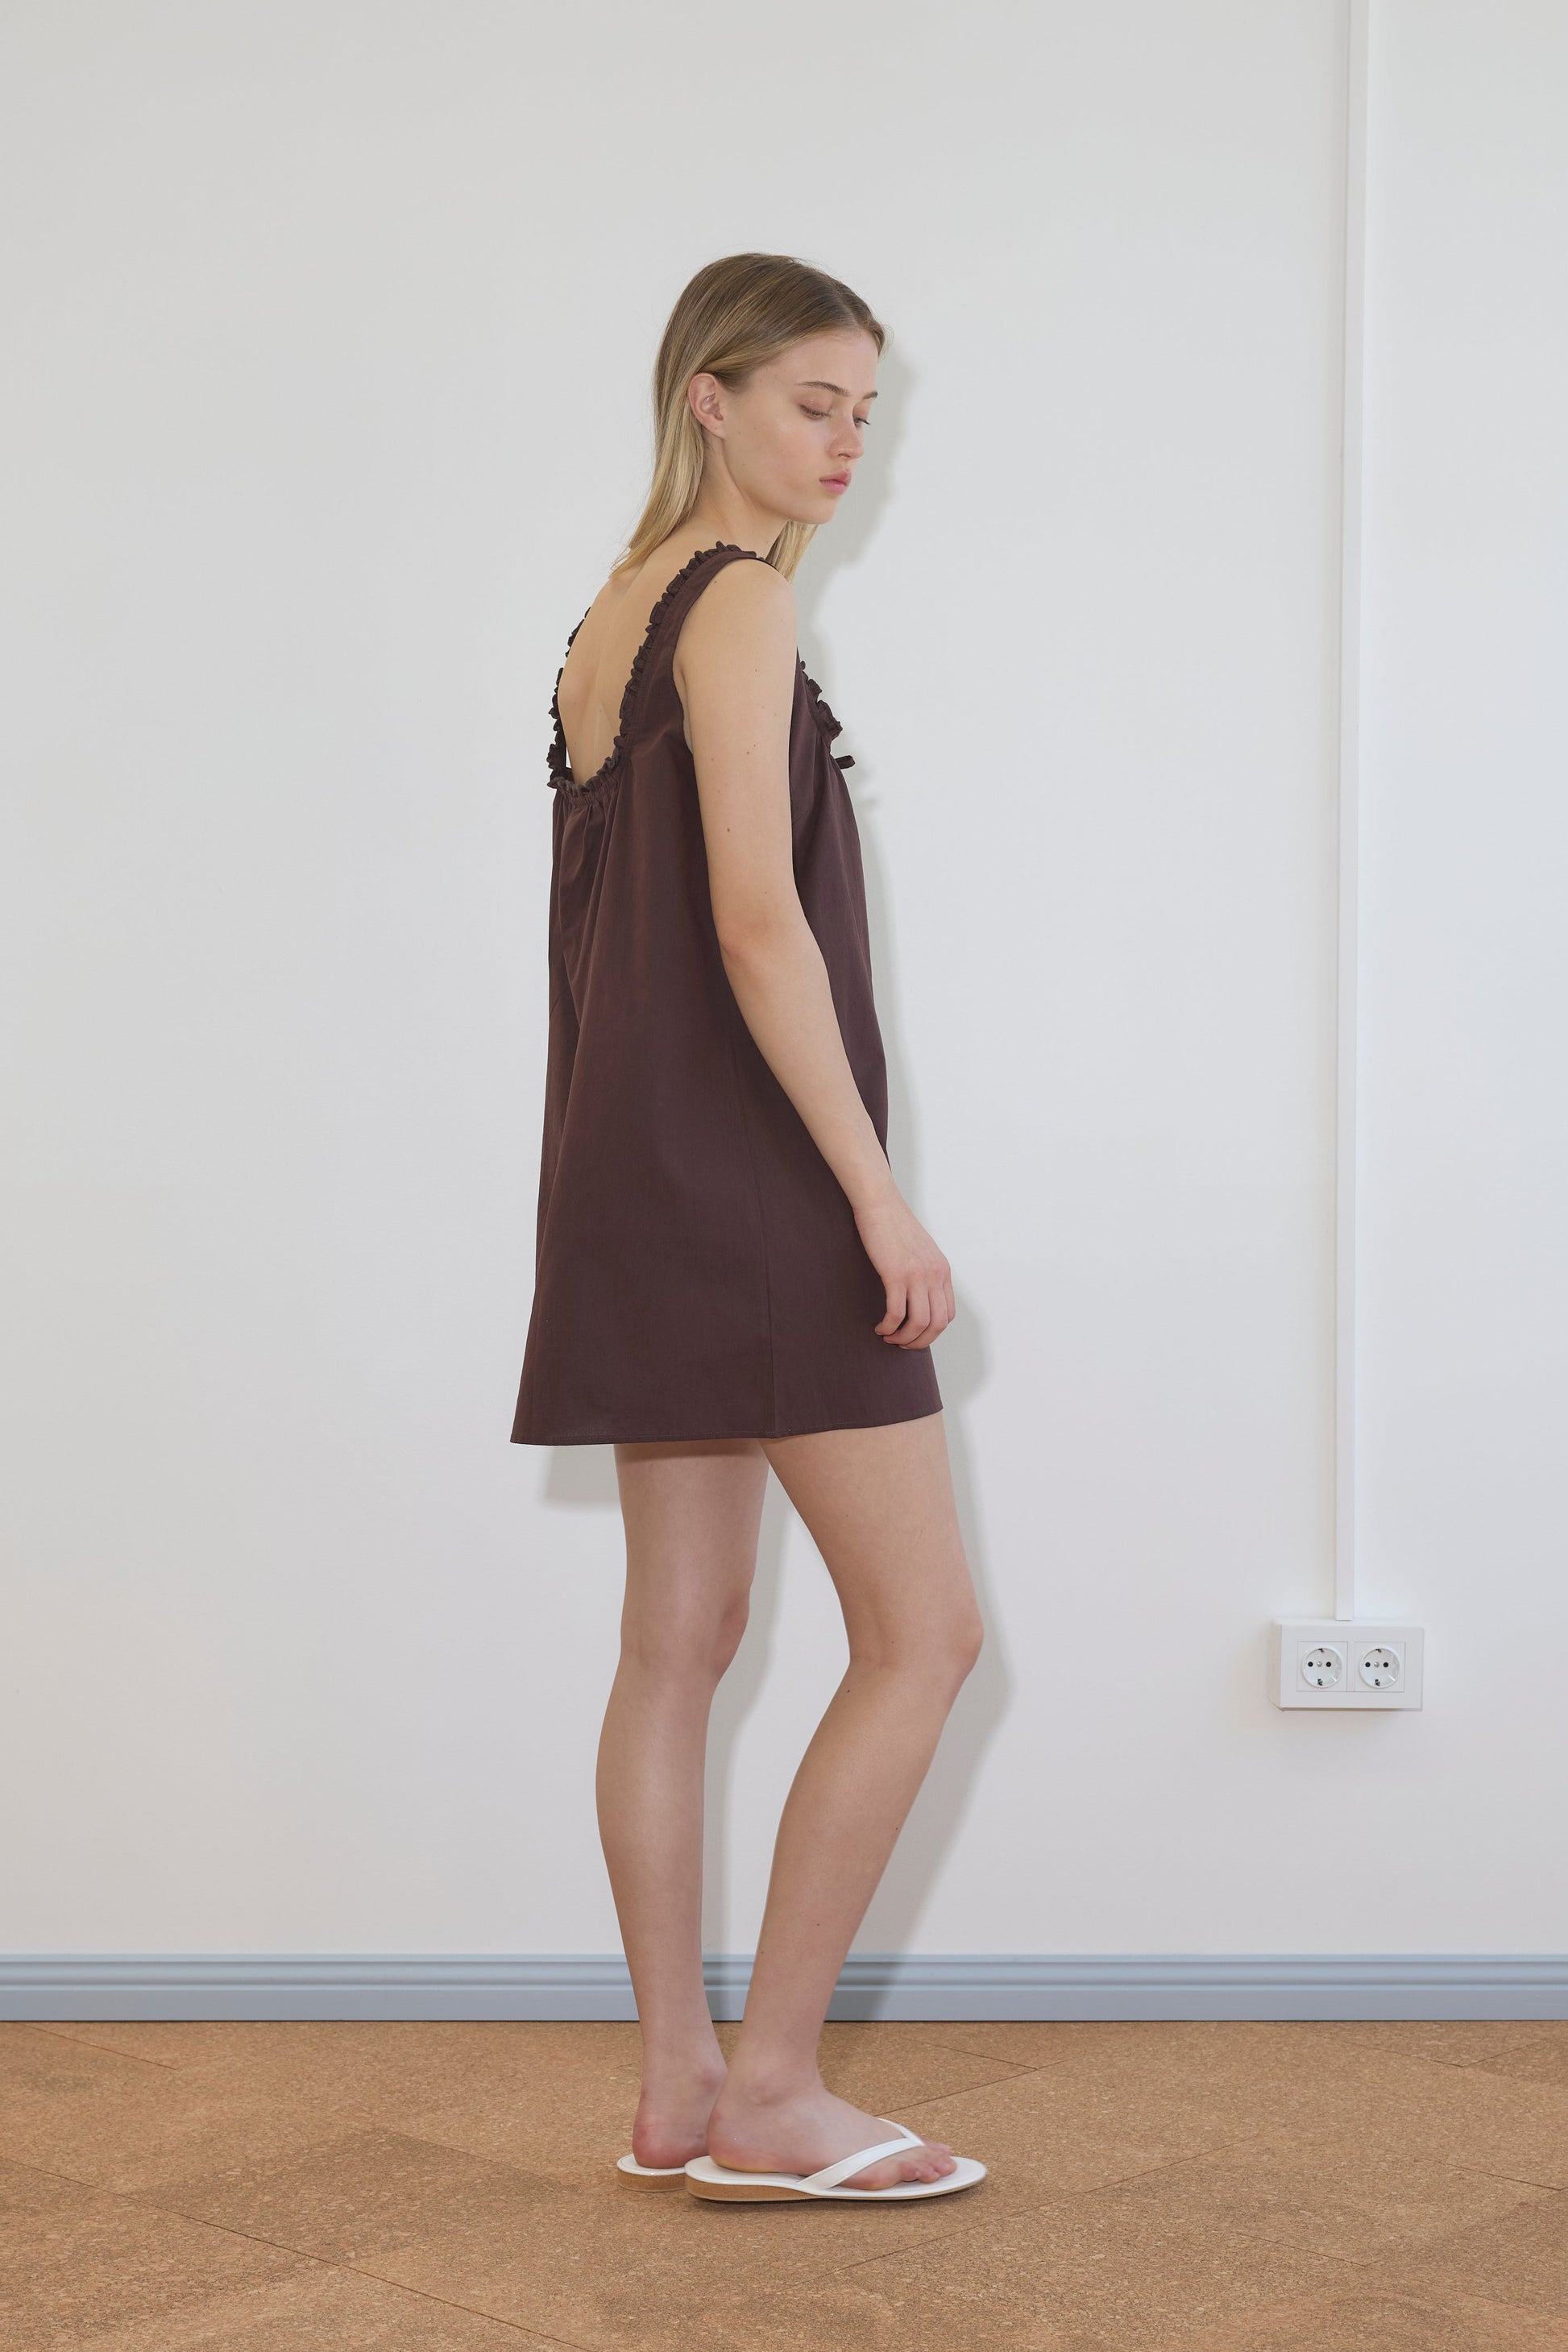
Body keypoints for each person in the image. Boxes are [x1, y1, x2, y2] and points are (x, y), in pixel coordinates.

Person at [510, 253, 986, 2204]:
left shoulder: (601, 620)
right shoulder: (733, 615)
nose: (845, 442)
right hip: (758, 1191)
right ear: (706, 398)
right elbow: (752, 924)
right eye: (812, 400)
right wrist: (877, 1192)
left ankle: (680, 2084)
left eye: (866, 410)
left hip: (628, 1192)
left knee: (675, 1643)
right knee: (927, 1633)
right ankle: (779, 2094)